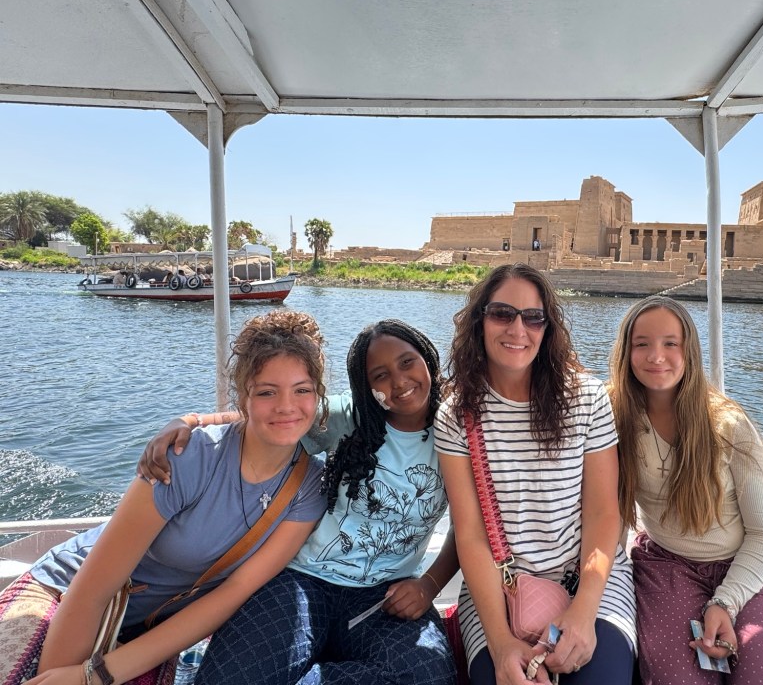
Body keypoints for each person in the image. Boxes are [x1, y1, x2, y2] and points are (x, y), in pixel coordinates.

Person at [0, 311, 330, 685]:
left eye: (302, 390)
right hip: (66, 594)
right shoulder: (186, 458)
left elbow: (231, 594)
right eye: (267, 392)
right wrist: (69, 674)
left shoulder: (308, 488)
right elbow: (92, 591)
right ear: (243, 396)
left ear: (318, 394)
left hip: (148, 631)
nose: (286, 406)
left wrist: (95, 675)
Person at [139, 319, 458, 685]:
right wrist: (192, 420)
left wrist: (429, 585)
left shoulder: (456, 433)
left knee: (427, 675)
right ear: (366, 385)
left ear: (428, 359)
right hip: (301, 581)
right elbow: (274, 417)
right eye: (380, 375)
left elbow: (467, 528)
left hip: (384, 595)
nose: (399, 381)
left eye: (407, 362)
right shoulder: (351, 417)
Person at [435, 263, 636, 685]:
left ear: (547, 328)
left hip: (590, 582)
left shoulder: (586, 399)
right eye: (502, 314)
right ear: (479, 321)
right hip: (497, 591)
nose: (517, 329)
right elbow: (470, 534)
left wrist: (583, 612)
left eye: (533, 318)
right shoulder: (456, 416)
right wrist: (500, 642)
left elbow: (603, 514)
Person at [607, 296, 763, 685]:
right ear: (626, 352)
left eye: (670, 343)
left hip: (746, 566)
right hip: (667, 566)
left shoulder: (728, 426)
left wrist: (725, 603)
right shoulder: (614, 417)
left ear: (689, 351)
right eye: (642, 344)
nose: (656, 356)